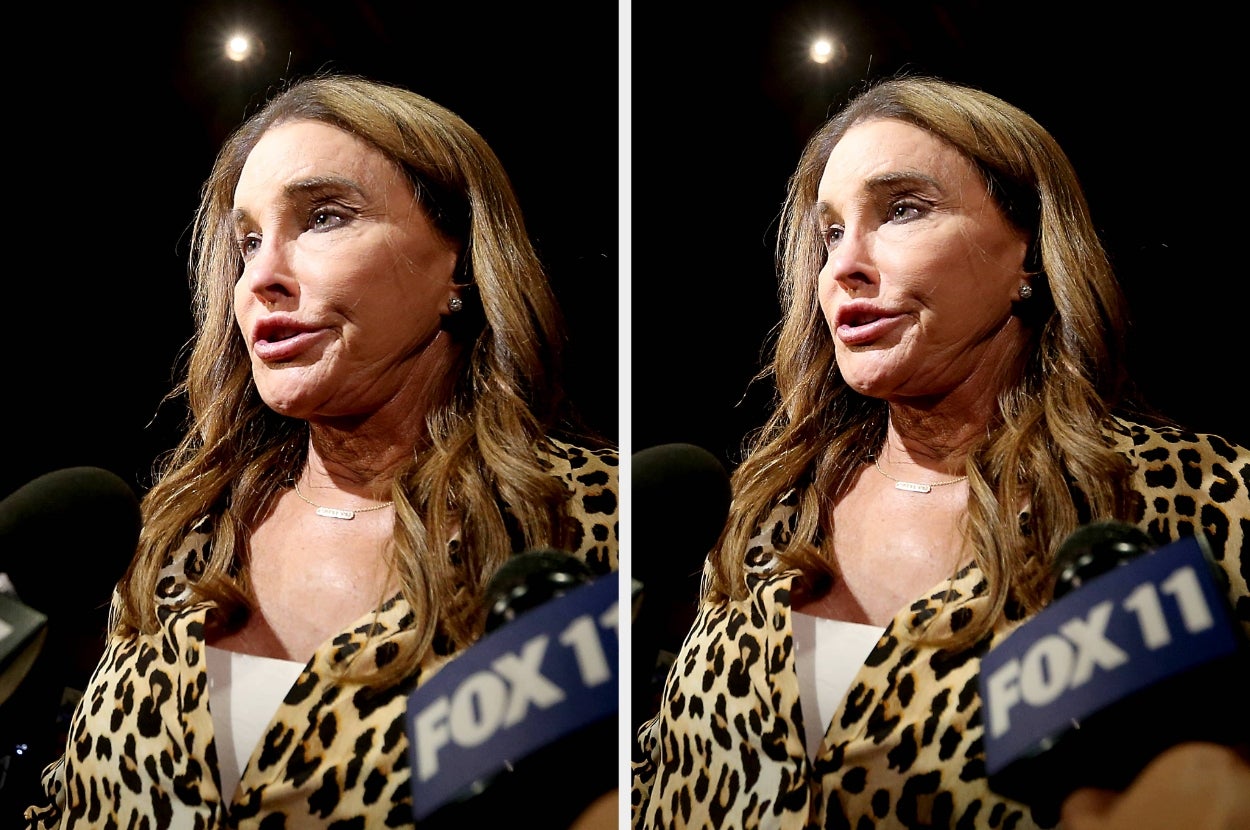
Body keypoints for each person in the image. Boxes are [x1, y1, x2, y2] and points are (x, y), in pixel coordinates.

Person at [630, 74, 1250, 830]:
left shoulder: (1200, 501)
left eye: (903, 210)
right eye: (830, 233)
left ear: (1029, 253)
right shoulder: (761, 511)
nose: (845, 265)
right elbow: (666, 768)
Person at [22, 73, 619, 829]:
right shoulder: (175, 537)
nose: (262, 277)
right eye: (247, 242)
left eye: (324, 217)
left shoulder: (588, 526)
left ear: (460, 263)